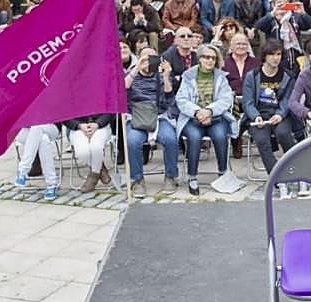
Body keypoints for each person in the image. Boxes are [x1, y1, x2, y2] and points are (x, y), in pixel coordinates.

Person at [173, 44, 238, 195]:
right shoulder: (188, 76)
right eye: (206, 57)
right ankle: (192, 176)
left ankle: (223, 172)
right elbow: (181, 99)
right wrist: (197, 112)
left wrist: (209, 111)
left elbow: (226, 99)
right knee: (194, 137)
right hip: (192, 118)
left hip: (216, 117)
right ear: (199, 58)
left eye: (213, 58)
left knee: (220, 136)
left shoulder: (221, 76)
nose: (210, 61)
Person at [242, 40, 297, 181]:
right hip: (259, 114)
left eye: (278, 54)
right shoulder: (252, 76)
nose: (275, 58)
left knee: (284, 133)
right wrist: (255, 117)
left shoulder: (288, 76)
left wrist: (280, 114)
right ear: (264, 56)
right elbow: (247, 102)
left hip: (279, 114)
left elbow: (288, 100)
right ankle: (276, 178)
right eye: (271, 54)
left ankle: (297, 170)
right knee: (261, 140)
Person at [124, 45, 175, 197]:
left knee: (170, 139)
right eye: (145, 57)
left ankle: (171, 176)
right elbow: (122, 90)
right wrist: (136, 69)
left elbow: (168, 101)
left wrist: (166, 76)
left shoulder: (161, 75)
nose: (148, 61)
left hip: (158, 116)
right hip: (136, 117)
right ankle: (137, 180)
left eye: (152, 57)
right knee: (133, 141)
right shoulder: (130, 75)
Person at [65, 112, 114, 193]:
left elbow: (110, 111)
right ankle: (100, 168)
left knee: (96, 147)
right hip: (78, 128)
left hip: (101, 126)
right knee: (82, 152)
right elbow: (64, 115)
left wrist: (98, 124)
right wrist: (79, 125)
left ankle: (94, 175)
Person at [13, 121, 62, 201]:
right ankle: (51, 183)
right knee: (43, 139)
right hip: (24, 129)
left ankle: (23, 170)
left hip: (50, 127)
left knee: (37, 127)